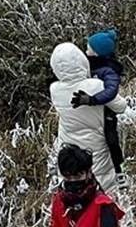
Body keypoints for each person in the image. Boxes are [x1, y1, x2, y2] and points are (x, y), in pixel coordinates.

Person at [50, 42, 127, 193]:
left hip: (69, 148)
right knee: (103, 187)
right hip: (97, 146)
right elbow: (121, 106)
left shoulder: (54, 89)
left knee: (73, 189)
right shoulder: (96, 85)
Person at [74, 29, 125, 181]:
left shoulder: (108, 71)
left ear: (97, 52)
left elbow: (111, 91)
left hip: (107, 113)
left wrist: (92, 99)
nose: (85, 51)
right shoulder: (88, 66)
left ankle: (120, 170)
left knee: (112, 142)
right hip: (94, 115)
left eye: (88, 48)